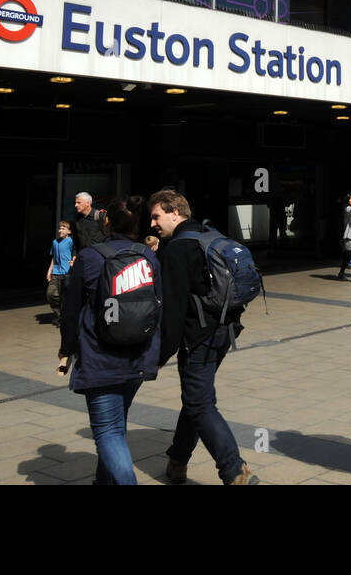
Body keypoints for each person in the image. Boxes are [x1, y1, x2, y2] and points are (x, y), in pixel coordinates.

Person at [149, 190, 258, 485]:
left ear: (175, 213)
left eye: (156, 216)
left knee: (199, 403)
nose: (152, 223)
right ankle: (177, 461)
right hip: (224, 331)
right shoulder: (208, 233)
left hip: (198, 337)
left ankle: (234, 469)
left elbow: (172, 311)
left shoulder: (176, 249)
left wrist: (160, 356)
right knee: (196, 398)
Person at [56, 200, 160, 485]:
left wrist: (66, 351)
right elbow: (158, 305)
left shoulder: (90, 257)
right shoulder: (148, 257)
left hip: (100, 358)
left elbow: (70, 309)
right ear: (137, 225)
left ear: (107, 223)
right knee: (116, 427)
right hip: (138, 355)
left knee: (108, 432)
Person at [47, 220, 74, 326]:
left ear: (69, 231)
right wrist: (49, 271)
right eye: (59, 228)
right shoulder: (55, 242)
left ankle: (64, 319)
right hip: (56, 272)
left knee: (65, 297)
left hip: (67, 272)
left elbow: (74, 255)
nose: (60, 230)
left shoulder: (71, 241)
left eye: (63, 228)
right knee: (51, 294)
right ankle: (59, 315)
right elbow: (53, 258)